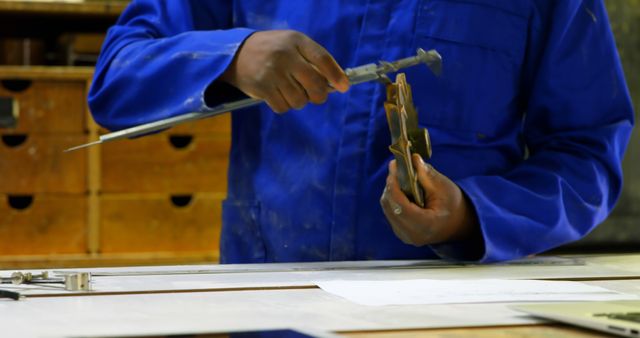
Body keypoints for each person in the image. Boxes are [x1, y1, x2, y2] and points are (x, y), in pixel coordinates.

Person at [88, 0, 634, 263]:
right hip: (274, 299)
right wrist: (233, 57)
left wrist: (473, 215)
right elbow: (115, 79)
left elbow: (587, 155)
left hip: (453, 313)